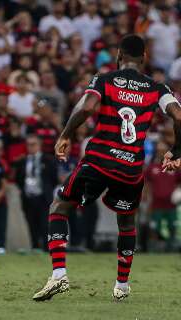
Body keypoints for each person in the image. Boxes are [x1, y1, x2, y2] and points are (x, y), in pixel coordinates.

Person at [32, 34, 181, 302]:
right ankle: (121, 287)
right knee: (126, 223)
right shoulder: (158, 89)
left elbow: (87, 107)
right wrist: (178, 150)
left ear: (119, 56)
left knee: (60, 206)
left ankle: (59, 274)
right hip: (130, 168)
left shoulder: (105, 79)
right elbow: (178, 116)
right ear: (144, 58)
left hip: (99, 160)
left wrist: (66, 134)